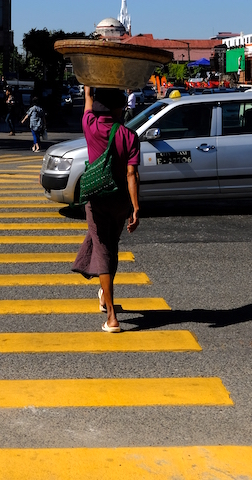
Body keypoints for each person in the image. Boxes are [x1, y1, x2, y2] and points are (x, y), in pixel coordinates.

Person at [71, 86, 140, 332]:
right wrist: (135, 207)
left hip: (97, 199)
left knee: (102, 250)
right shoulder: (130, 136)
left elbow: (88, 101)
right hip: (121, 200)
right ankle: (104, 296)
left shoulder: (91, 125)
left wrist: (89, 86)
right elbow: (132, 173)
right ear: (120, 108)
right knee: (111, 246)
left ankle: (111, 317)